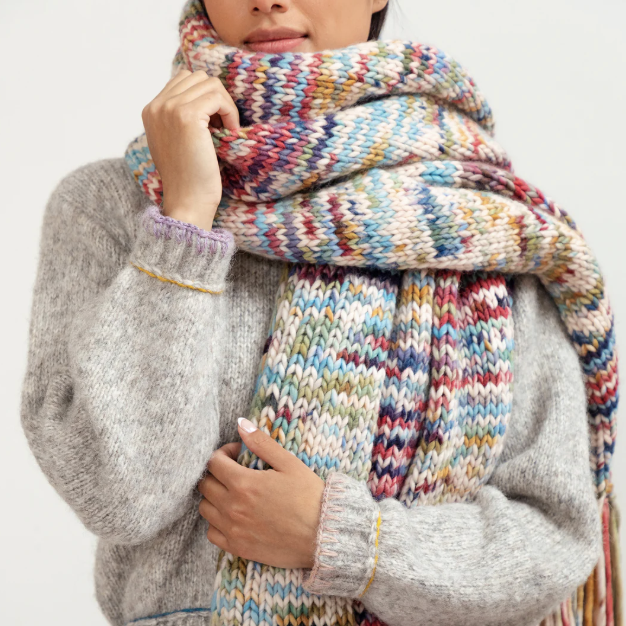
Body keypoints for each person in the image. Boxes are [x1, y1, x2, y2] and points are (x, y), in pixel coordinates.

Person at [21, 1, 619, 625]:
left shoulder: (485, 225)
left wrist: (345, 540)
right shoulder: (111, 209)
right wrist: (187, 219)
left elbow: (553, 538)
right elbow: (121, 498)